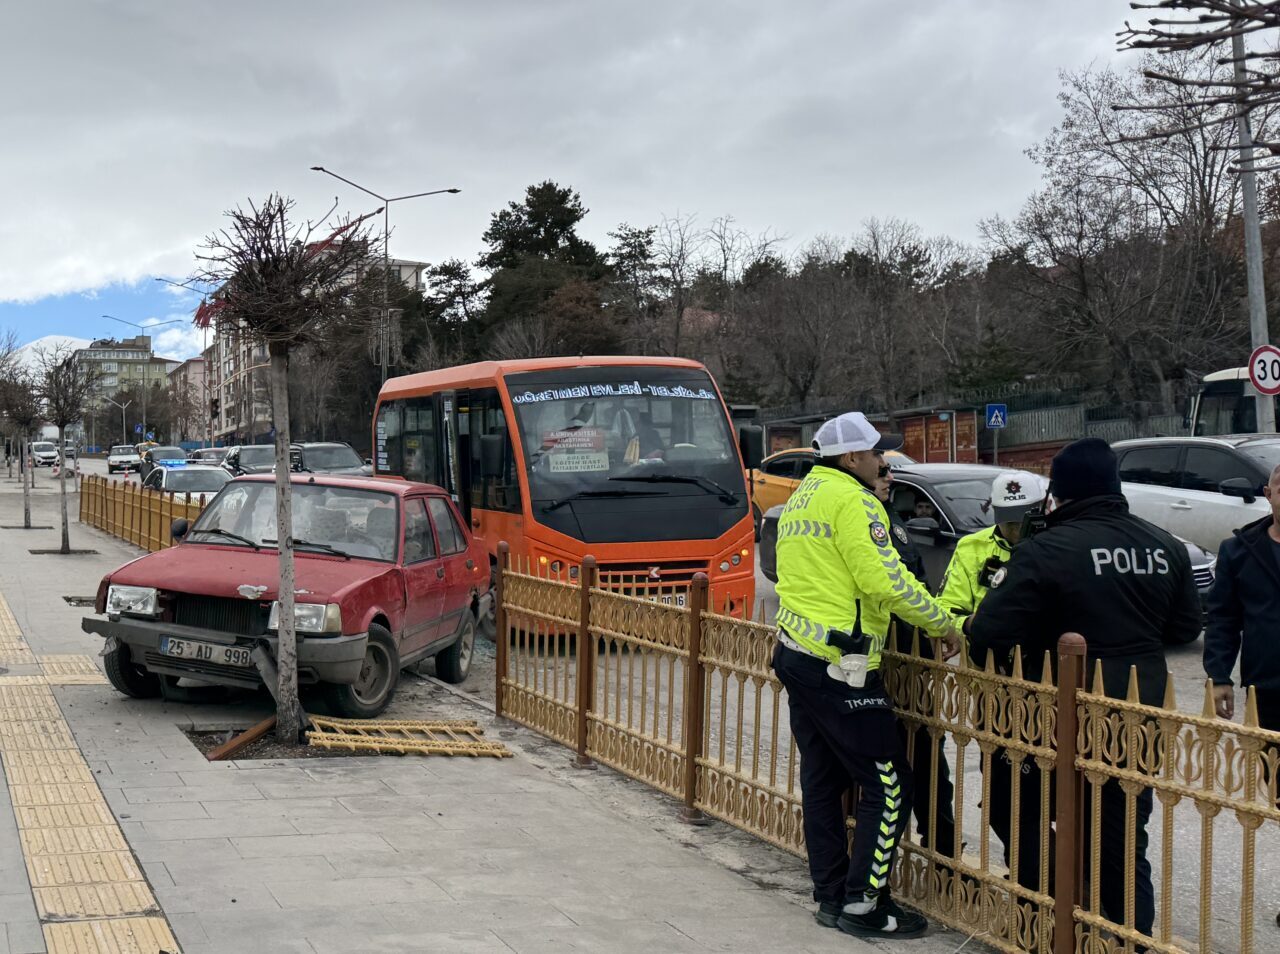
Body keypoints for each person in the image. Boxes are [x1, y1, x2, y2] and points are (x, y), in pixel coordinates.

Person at [967, 438, 1201, 943]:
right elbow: (1184, 628)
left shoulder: (1045, 549)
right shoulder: (1165, 546)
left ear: (1060, 492)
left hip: (1052, 718)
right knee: (1120, 839)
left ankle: (1044, 925)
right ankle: (1125, 940)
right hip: (1135, 716)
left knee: (1026, 818)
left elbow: (986, 632)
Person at [772, 411, 961, 939]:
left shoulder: (802, 496)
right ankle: (864, 906)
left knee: (823, 781)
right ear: (852, 457)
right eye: (878, 453)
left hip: (797, 652)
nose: (884, 460)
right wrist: (943, 622)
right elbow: (885, 580)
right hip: (842, 666)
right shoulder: (854, 501)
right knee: (889, 782)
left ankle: (831, 897)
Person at [937, 470, 1046, 889]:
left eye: (1022, 518)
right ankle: (1027, 880)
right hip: (991, 688)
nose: (1014, 528)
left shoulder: (1052, 547)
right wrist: (977, 626)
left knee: (1051, 796)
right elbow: (947, 609)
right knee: (1005, 797)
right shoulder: (973, 548)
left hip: (1048, 688)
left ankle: (1050, 881)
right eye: (1006, 519)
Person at [875, 467, 957, 855]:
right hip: (874, 663)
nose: (888, 474)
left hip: (910, 662)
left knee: (927, 758)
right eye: (880, 466)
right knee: (879, 768)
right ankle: (876, 852)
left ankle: (942, 851)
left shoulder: (893, 521)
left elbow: (918, 585)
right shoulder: (858, 519)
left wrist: (932, 631)